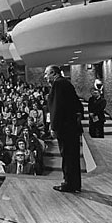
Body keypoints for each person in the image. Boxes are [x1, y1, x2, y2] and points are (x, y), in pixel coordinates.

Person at [44, 65, 83, 193]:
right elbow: (78, 105)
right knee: (72, 156)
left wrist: (54, 127)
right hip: (71, 126)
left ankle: (69, 183)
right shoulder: (66, 83)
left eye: (47, 74)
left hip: (65, 128)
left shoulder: (58, 84)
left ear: (54, 73)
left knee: (67, 155)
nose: (45, 77)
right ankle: (74, 183)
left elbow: (57, 108)